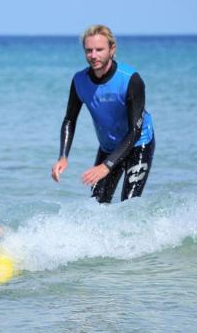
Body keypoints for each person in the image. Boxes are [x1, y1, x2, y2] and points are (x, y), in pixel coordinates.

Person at [51, 25, 155, 203]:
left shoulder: (130, 79)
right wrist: (63, 156)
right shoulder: (79, 81)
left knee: (129, 205)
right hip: (108, 147)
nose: (93, 55)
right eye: (89, 50)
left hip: (138, 144)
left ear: (112, 49)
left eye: (99, 50)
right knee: (96, 205)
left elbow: (134, 131)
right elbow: (70, 119)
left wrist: (107, 166)